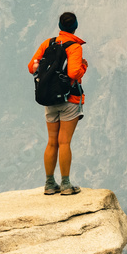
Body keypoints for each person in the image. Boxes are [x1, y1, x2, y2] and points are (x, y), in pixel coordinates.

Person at [28, 11, 88, 195]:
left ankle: (49, 184)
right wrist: (84, 66)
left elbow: (32, 67)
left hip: (49, 99)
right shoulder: (75, 47)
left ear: (60, 26)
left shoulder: (48, 43)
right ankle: (66, 185)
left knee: (52, 142)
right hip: (69, 100)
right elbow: (72, 73)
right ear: (75, 26)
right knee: (64, 142)